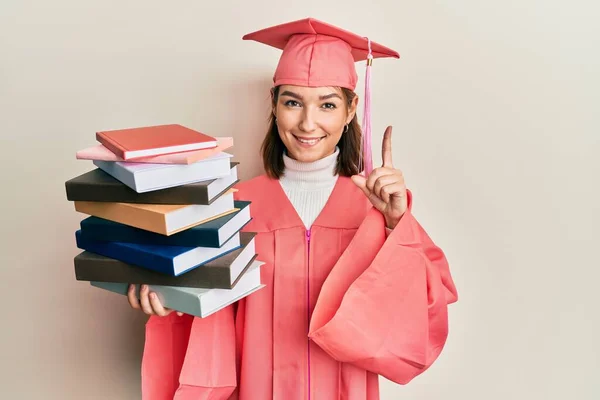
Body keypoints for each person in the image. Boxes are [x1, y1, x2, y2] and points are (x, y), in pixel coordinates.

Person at [127, 18, 458, 400]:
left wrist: (395, 224)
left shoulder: (376, 211)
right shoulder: (233, 206)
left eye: (328, 105)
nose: (307, 122)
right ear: (275, 105)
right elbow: (209, 318)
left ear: (351, 110)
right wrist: (173, 306)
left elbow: (427, 309)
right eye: (293, 102)